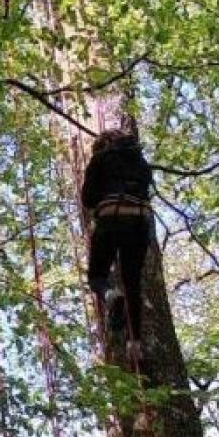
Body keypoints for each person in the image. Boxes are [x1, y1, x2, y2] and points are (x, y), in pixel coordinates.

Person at [80, 120, 153, 361]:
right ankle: (136, 345)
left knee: (96, 276)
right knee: (132, 281)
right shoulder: (142, 163)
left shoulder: (99, 160)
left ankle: (111, 295)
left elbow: (88, 200)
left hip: (112, 217)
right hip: (140, 221)